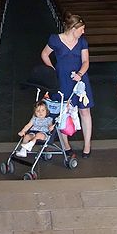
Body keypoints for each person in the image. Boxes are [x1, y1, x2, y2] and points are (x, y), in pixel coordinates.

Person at [40, 12, 94, 157]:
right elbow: (44, 54)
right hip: (62, 78)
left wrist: (80, 74)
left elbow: (86, 61)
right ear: (73, 29)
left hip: (80, 79)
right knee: (62, 111)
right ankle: (66, 145)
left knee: (85, 110)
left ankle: (87, 145)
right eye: (81, 29)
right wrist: (52, 70)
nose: (83, 32)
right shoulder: (55, 40)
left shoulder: (82, 41)